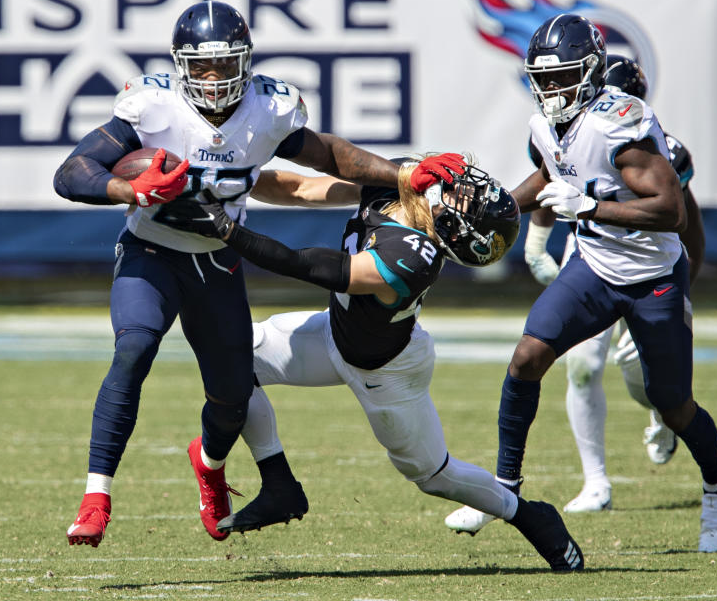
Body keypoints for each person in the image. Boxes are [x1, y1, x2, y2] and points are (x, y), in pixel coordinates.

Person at [54, 0, 433, 547]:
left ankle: (209, 466)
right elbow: (71, 173)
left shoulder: (267, 109)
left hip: (216, 260)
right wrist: (128, 189)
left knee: (232, 397)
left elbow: (331, 157)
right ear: (180, 66)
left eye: (224, 66)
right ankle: (96, 498)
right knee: (133, 349)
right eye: (201, 68)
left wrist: (404, 172)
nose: (213, 79)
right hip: (151, 251)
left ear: (246, 62)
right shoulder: (152, 105)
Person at [165, 154, 585, 572]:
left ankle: (528, 516)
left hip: (385, 371)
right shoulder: (404, 181)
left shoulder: (416, 256)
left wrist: (224, 227)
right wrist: (225, 181)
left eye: (465, 199)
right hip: (335, 332)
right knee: (236, 357)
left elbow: (308, 265)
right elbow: (301, 188)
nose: (462, 188)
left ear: (452, 229)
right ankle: (279, 483)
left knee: (432, 475)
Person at [439, 14, 717, 553]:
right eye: (542, 79)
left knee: (672, 405)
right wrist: (498, 205)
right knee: (527, 357)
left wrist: (592, 207)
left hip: (650, 276)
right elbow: (552, 171)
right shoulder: (545, 125)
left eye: (562, 77)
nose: (550, 90)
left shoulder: (618, 122)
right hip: (595, 267)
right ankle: (503, 486)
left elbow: (671, 211)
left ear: (593, 71)